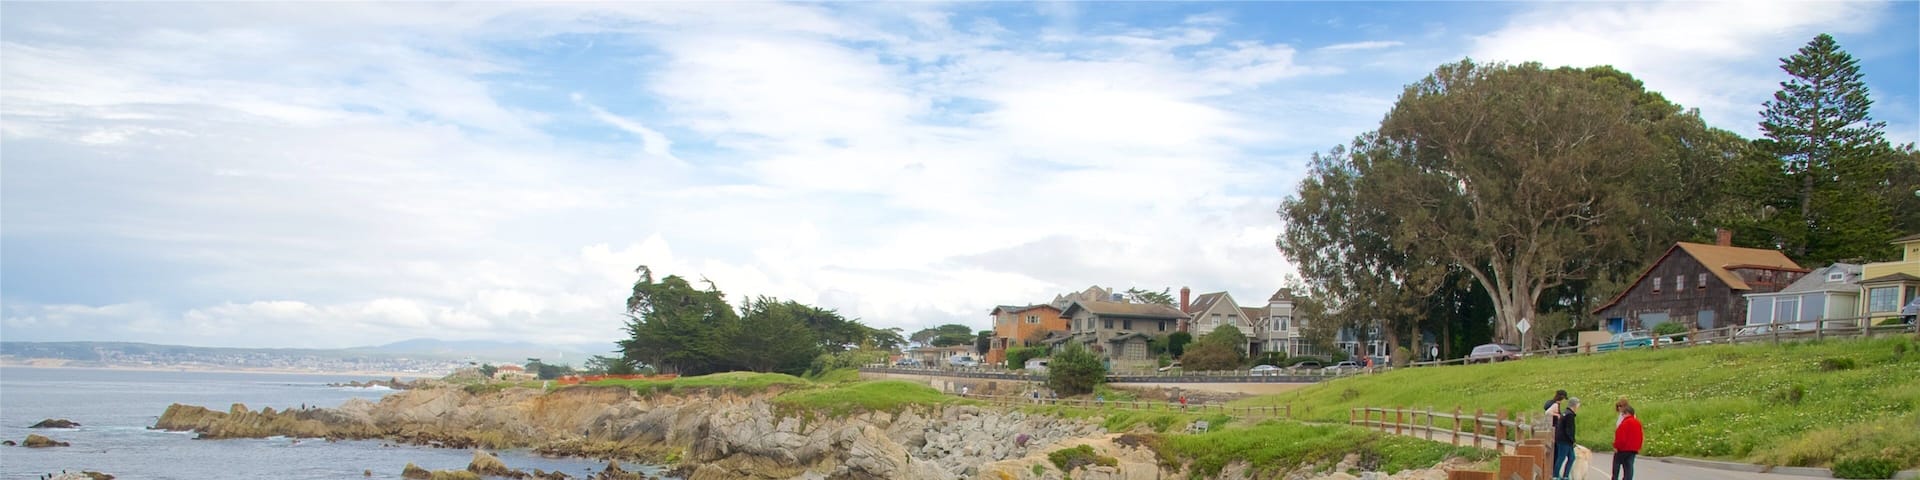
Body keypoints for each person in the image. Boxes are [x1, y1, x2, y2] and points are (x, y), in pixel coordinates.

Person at [1553, 397, 1581, 480]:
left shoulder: (1565, 413)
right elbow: (1569, 429)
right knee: (1561, 457)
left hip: (1563, 439)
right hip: (1565, 440)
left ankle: (1565, 475)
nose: (1578, 406)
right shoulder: (1570, 415)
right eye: (1578, 404)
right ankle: (1555, 475)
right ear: (1574, 405)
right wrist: (1572, 440)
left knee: (1572, 457)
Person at [1613, 405, 1642, 480]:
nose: (1622, 415)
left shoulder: (1624, 423)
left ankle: (1615, 478)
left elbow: (1621, 438)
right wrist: (1638, 447)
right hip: (1633, 449)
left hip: (1623, 449)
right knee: (1629, 466)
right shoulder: (1638, 423)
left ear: (1627, 413)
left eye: (1623, 414)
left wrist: (1616, 446)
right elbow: (1640, 436)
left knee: (1616, 464)